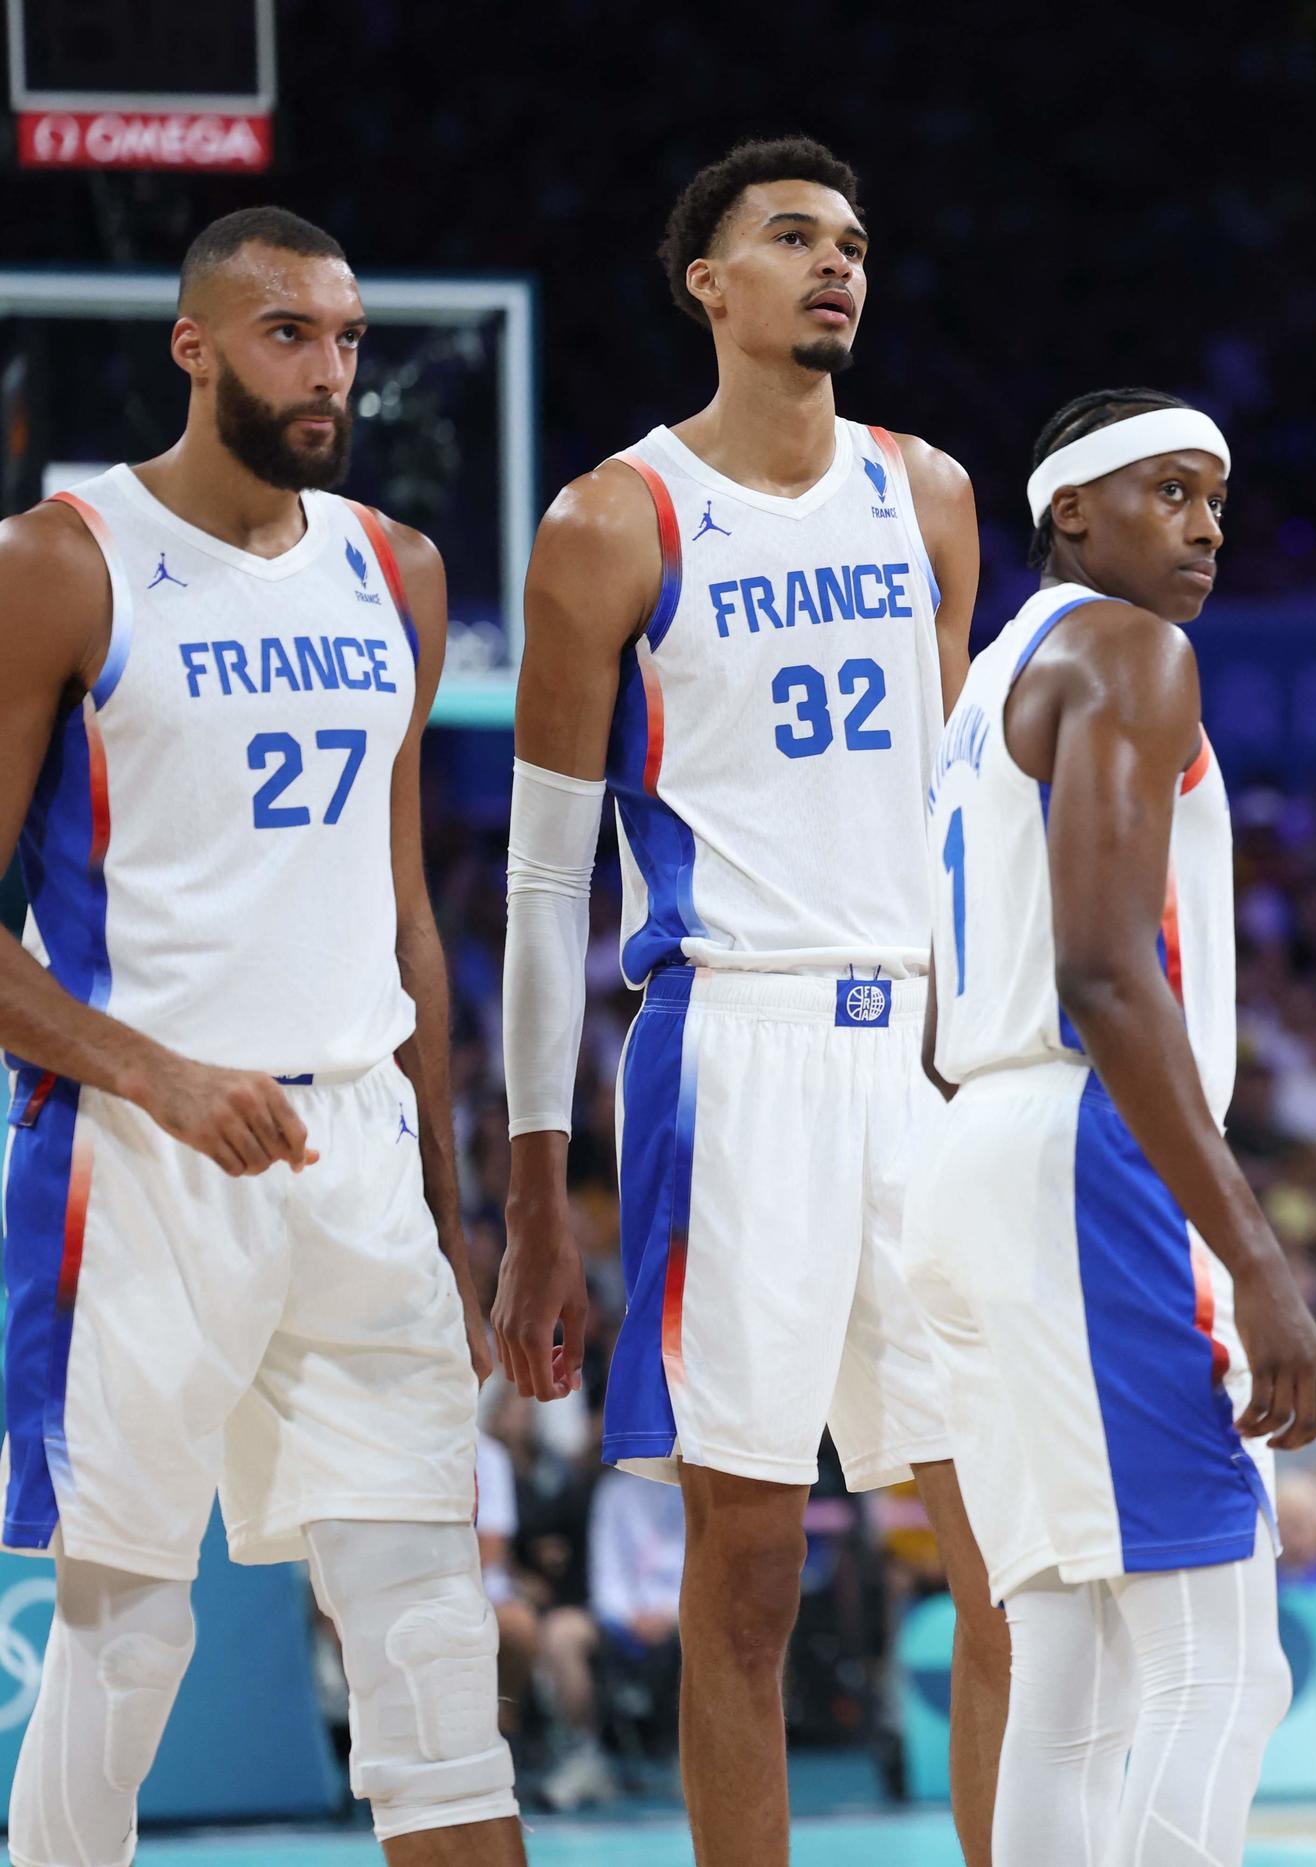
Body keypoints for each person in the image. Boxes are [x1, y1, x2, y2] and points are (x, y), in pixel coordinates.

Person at [486, 137, 995, 1864]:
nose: (836, 264)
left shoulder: (926, 490)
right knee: (753, 1573)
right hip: (735, 1043)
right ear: (708, 282)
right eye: (792, 237)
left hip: (923, 1047)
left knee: (1010, 1547)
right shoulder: (612, 519)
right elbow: (547, 880)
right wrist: (542, 1192)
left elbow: (945, 816)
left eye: (852, 240)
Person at [0, 208, 522, 1863]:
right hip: (138, 1156)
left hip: (359, 1145)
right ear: (196, 345)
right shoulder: (63, 561)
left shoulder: (398, 569)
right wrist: (159, 1073)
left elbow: (410, 920)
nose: (330, 369)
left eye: (350, 338)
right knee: (126, 1634)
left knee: (432, 1628)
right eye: (289, 331)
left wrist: (450, 1205)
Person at [913, 388, 1316, 1865]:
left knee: (1073, 1678)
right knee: (1224, 1662)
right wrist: (1258, 1262)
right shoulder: (1129, 647)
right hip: (1089, 1161)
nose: (1207, 522)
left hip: (974, 1153)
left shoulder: (984, 681)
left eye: (1217, 494)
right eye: (1170, 489)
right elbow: (1104, 971)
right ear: (1071, 513)